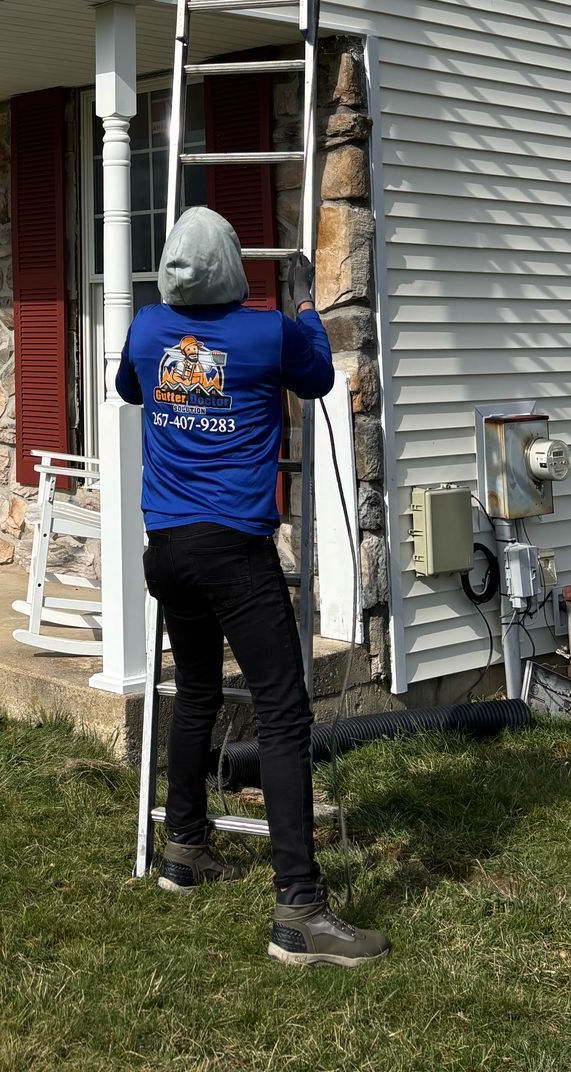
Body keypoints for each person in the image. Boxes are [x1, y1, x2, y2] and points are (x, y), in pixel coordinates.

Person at [115, 205, 390, 968]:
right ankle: (300, 910)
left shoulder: (145, 330)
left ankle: (184, 848)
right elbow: (321, 373)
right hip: (232, 551)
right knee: (282, 710)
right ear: (235, 270)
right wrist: (306, 300)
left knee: (198, 690)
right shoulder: (269, 332)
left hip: (165, 549)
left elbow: (131, 390)